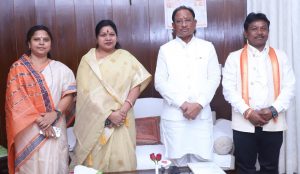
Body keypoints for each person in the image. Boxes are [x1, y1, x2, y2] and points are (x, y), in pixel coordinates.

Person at [74, 19, 151, 172]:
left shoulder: (126, 57)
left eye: (112, 34)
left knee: (122, 159)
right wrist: (109, 114)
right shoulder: (87, 61)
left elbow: (137, 83)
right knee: (96, 161)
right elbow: (85, 93)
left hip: (123, 118)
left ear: (117, 36)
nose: (108, 38)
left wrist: (123, 110)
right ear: (97, 38)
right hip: (96, 120)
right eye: (103, 35)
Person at [222, 12, 295, 174]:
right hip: (243, 123)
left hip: (273, 122)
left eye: (263, 28)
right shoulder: (233, 58)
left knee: (270, 167)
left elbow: (289, 87)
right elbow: (228, 89)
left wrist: (273, 110)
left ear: (268, 32)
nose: (259, 32)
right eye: (254, 29)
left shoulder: (281, 56)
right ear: (245, 33)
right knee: (245, 167)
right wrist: (248, 112)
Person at [155, 6, 221, 167]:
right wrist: (183, 104)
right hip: (175, 117)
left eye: (187, 20)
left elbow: (214, 78)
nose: (184, 24)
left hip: (201, 116)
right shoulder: (165, 50)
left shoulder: (207, 47)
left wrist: (198, 104)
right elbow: (160, 82)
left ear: (195, 23)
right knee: (177, 164)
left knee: (203, 164)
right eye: (179, 21)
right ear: (173, 25)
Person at [5, 25, 76, 174]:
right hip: (28, 130)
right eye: (37, 39)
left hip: (55, 125)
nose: (41, 42)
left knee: (54, 164)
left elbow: (69, 94)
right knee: (29, 167)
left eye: (46, 39)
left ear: (50, 44)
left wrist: (54, 114)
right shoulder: (17, 69)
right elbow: (18, 102)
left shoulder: (61, 69)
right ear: (29, 44)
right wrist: (42, 122)